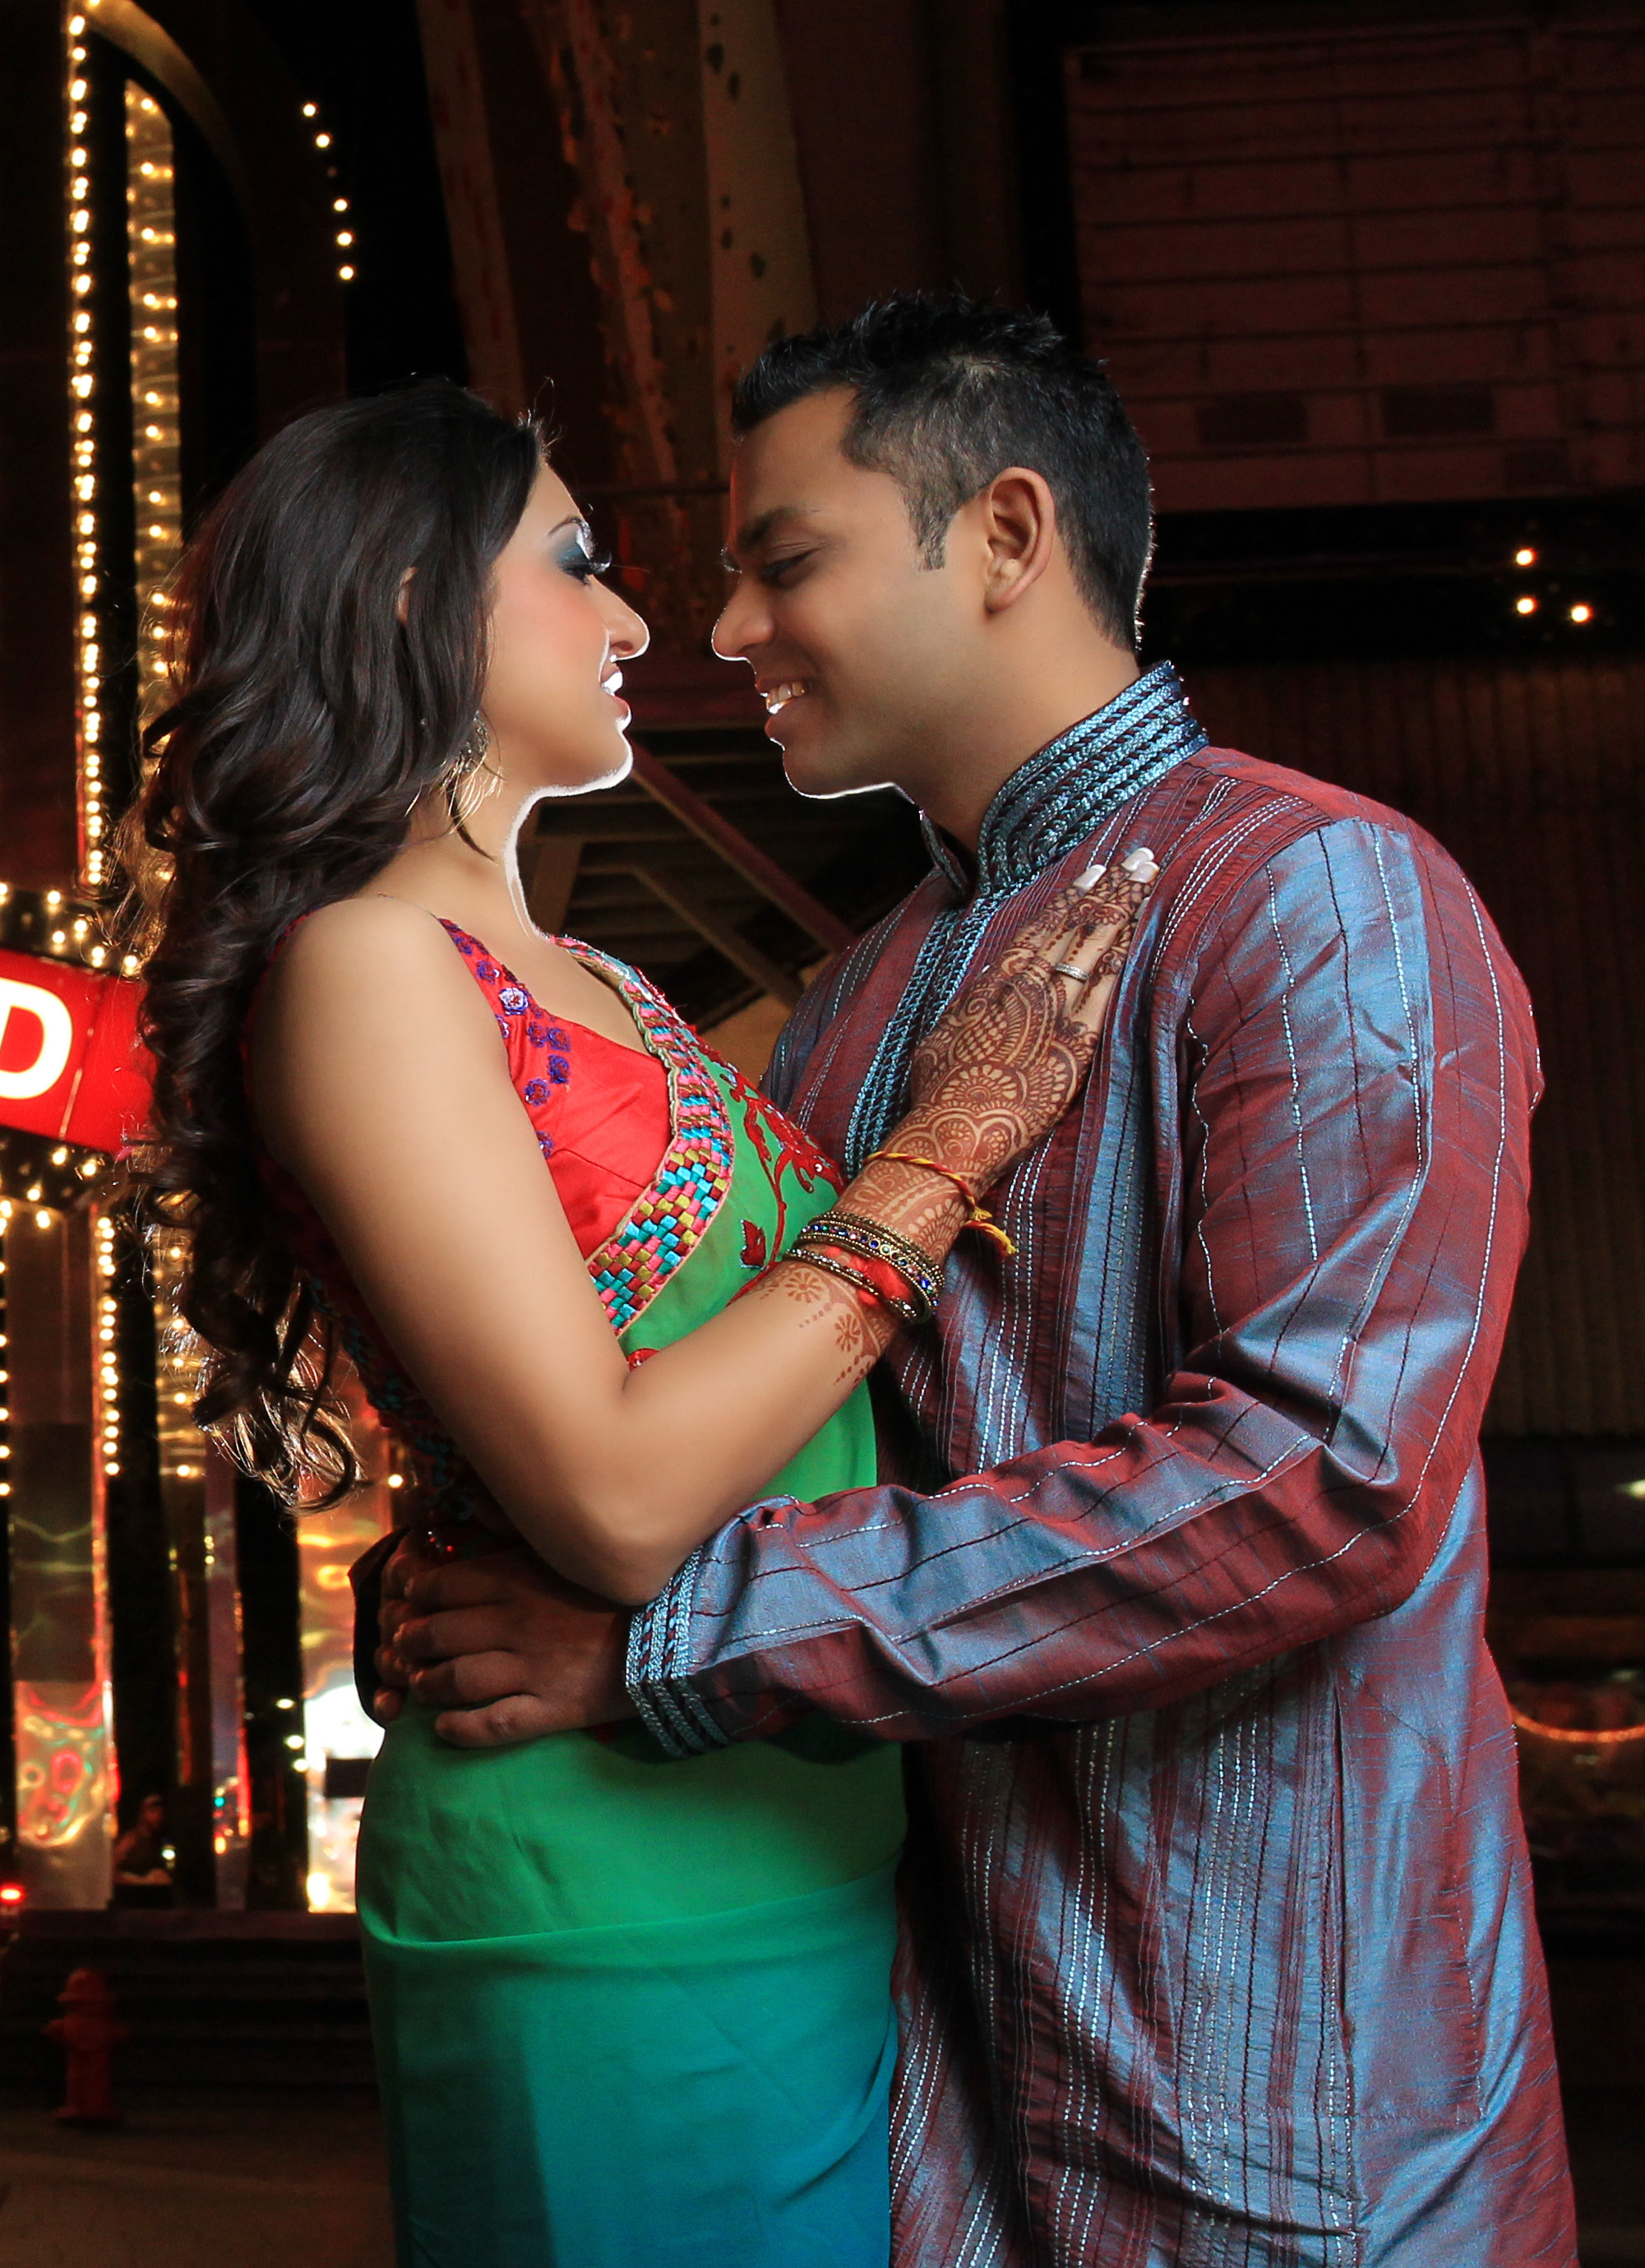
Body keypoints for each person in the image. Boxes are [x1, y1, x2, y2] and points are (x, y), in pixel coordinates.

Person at [384, 295, 1577, 2259]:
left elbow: (1323, 1474)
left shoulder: (1322, 896)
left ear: (1006, 535)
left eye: (786, 561)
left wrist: (675, 1639)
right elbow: (760, 1426)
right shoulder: (847, 1012)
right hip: (932, 2098)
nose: (731, 631)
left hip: (1291, 2113)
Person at [121, 377, 1133, 2266]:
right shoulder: (360, 966)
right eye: (575, 564)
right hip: (599, 1904)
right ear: (417, 600)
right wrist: (944, 1153)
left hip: (813, 1851)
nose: (636, 623)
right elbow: (605, 1493)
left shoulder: (591, 974)